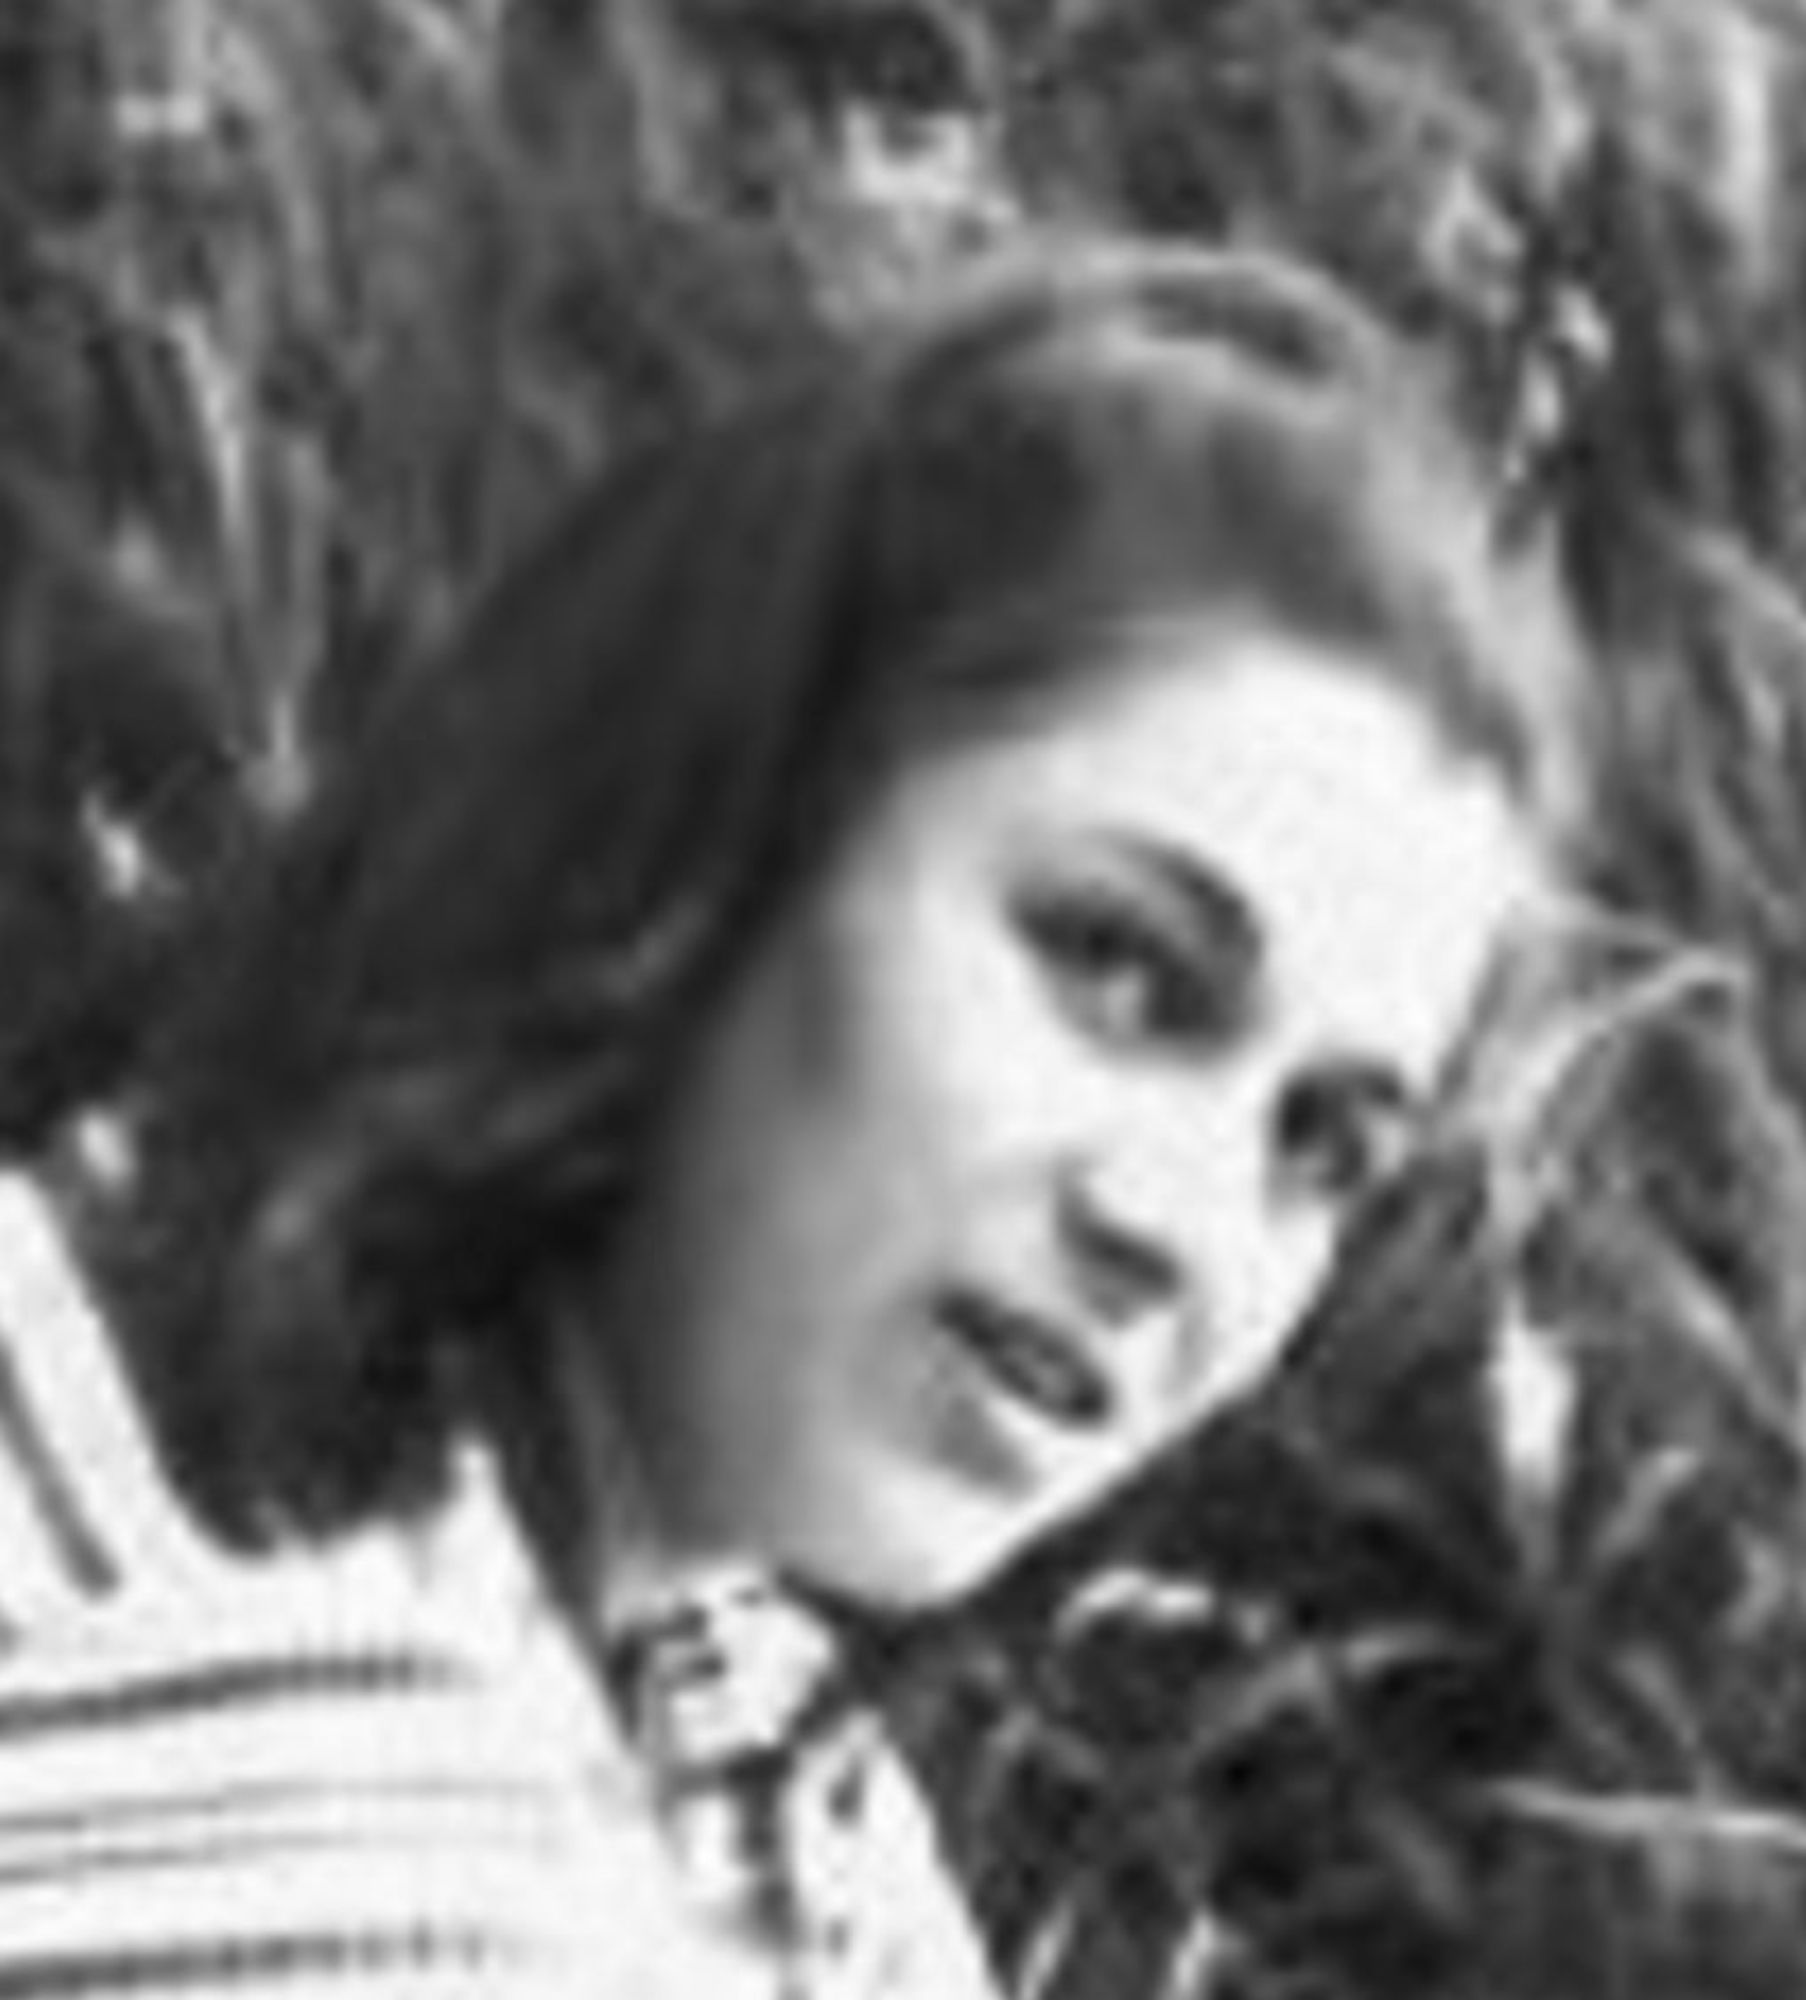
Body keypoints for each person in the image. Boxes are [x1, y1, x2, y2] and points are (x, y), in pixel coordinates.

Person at [0, 234, 1587, 1996]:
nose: (1181, 1232)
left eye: (1321, 1147)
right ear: (717, 812)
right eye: (1115, 964)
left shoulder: (692, 1668)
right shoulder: (336, 1839)